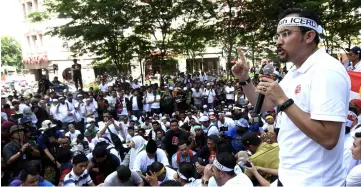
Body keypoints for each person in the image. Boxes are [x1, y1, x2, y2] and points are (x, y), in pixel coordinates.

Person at [232, 8, 350, 186]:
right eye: (278, 36)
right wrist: (244, 80)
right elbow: (261, 105)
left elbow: (328, 138)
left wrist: (284, 102)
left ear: (309, 36)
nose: (279, 42)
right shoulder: (294, 72)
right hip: (289, 178)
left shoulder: (327, 70)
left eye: (286, 34)